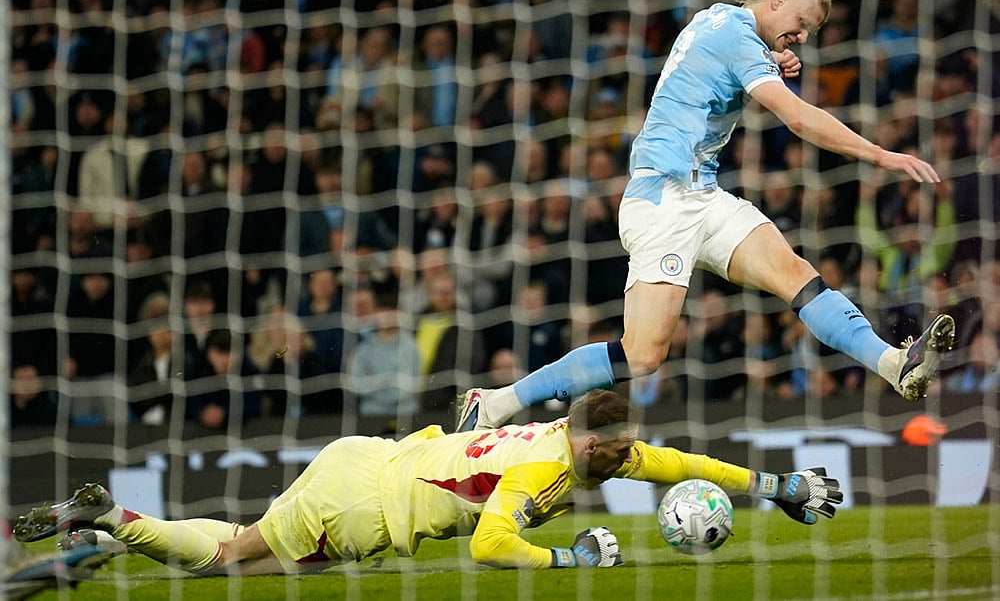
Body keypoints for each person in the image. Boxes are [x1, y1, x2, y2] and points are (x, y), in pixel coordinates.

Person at [456, 0, 955, 431]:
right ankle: (498, 403)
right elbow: (799, 119)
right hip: (663, 199)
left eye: (809, 34)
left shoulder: (718, 20)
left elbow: (720, 65)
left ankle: (894, 363)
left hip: (703, 194)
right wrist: (881, 154)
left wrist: (769, 55)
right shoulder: (737, 37)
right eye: (801, 24)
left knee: (798, 277)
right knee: (642, 356)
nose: (802, 38)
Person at [12, 390, 841, 574]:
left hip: (370, 458)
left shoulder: (580, 442)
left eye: (626, 449)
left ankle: (98, 532)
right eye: (616, 447)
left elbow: (684, 462)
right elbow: (489, 543)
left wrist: (772, 482)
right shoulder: (542, 465)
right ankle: (113, 518)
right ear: (588, 436)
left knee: (247, 553)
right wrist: (573, 561)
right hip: (369, 504)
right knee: (228, 560)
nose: (627, 458)